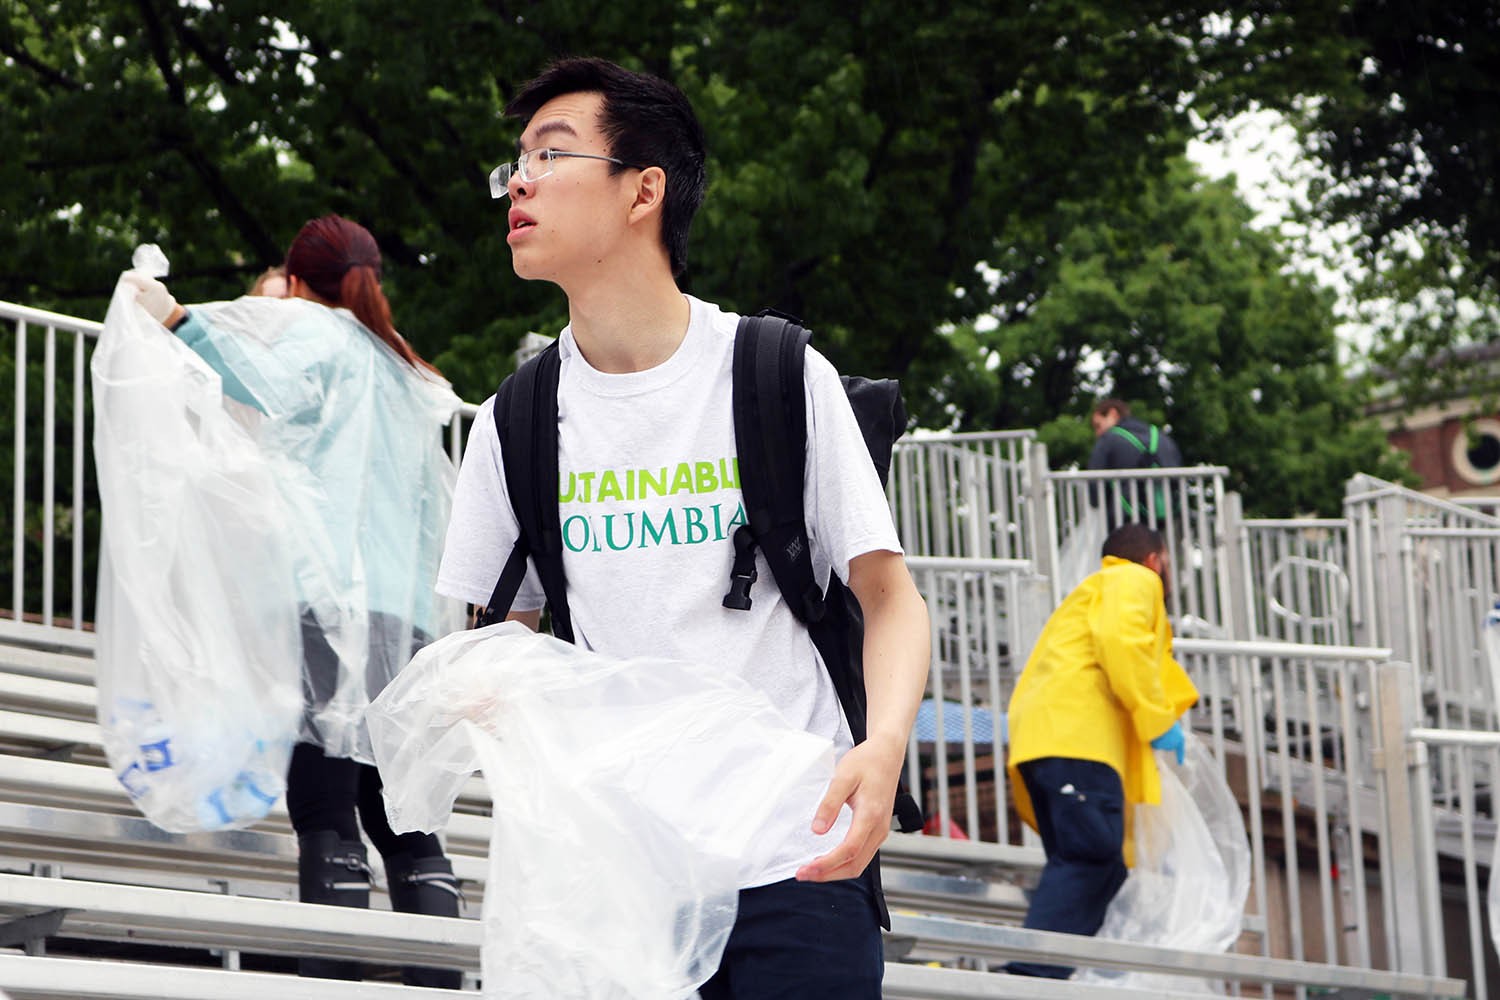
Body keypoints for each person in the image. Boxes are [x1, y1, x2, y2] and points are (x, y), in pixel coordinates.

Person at [435, 58, 931, 998]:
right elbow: (494, 637)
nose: (520, 182)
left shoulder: (776, 371)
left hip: (800, 854)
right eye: (515, 164)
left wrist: (883, 748)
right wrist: (485, 688)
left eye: (552, 153)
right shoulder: (516, 420)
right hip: (620, 878)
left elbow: (889, 598)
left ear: (643, 190)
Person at [121, 216, 465, 988]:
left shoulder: (320, 338)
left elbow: (257, 377)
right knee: (400, 808)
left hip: (327, 597)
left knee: (324, 796)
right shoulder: (407, 368)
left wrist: (174, 318)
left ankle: (334, 979)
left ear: (302, 283)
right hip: (403, 614)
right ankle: (438, 982)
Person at [1003, 522, 1198, 979]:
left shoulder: (1096, 590)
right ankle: (1028, 979)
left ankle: (1041, 977)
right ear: (1154, 559)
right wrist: (1157, 719)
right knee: (1092, 856)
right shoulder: (1134, 579)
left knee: (1102, 864)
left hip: (1053, 742)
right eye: (1166, 564)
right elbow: (1123, 642)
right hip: (1075, 742)